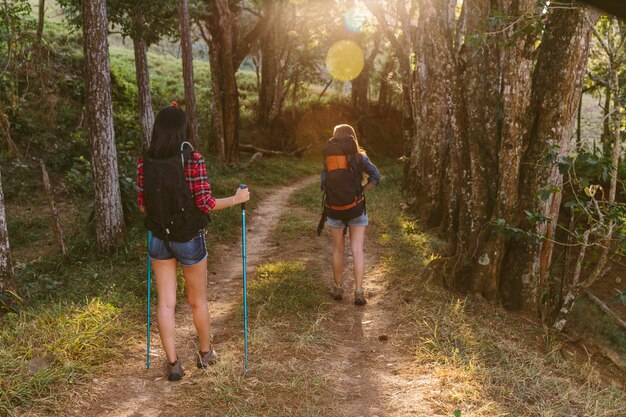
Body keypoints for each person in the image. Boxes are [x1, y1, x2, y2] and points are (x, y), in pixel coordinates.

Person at [137, 103, 250, 381]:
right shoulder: (193, 159)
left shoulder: (145, 161)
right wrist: (237, 199)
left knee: (165, 303)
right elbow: (206, 203)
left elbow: (143, 207)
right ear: (183, 130)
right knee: (197, 301)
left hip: (159, 240)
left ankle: (173, 364)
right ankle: (205, 354)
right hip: (188, 238)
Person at [320, 124, 381, 306]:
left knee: (337, 250)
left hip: (334, 209)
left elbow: (323, 183)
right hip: (356, 208)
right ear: (353, 137)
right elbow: (376, 176)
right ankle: (359, 292)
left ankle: (338, 288)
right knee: (357, 251)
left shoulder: (330, 158)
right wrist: (362, 189)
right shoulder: (359, 157)